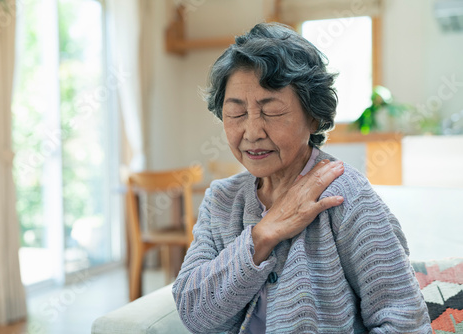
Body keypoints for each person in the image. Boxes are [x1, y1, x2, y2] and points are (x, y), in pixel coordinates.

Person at [172, 22, 430, 333]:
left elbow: (405, 321)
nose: (252, 132)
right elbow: (194, 314)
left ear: (314, 116)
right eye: (237, 113)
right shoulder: (222, 200)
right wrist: (262, 235)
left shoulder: (346, 195)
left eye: (272, 111)